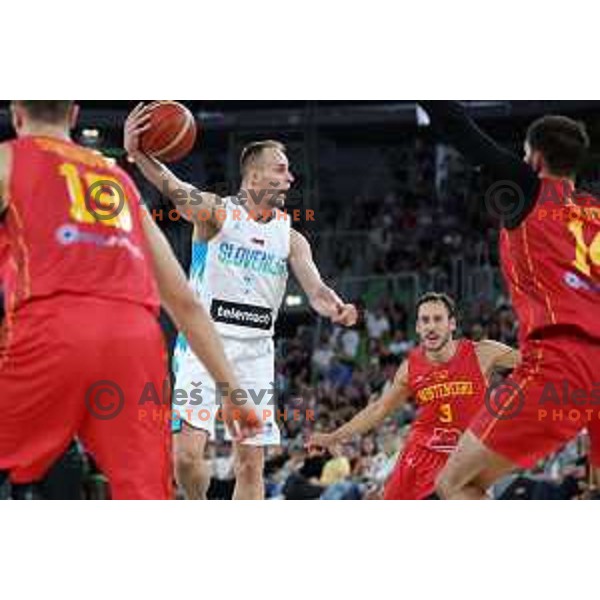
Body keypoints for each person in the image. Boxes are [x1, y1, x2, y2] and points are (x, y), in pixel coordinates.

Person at [0, 101, 256, 500]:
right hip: (134, 340)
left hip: (51, 329)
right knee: (143, 495)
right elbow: (185, 302)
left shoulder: (8, 159)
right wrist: (234, 393)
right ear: (73, 114)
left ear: (16, 113)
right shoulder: (118, 180)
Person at [124, 103, 358, 500]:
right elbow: (171, 186)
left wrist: (332, 304)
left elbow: (316, 289)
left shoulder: (291, 237)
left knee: (250, 463)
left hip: (254, 353)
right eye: (281, 169)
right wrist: (139, 152)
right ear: (253, 174)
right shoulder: (217, 213)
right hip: (202, 347)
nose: (290, 177)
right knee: (185, 458)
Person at [418, 101, 600, 499]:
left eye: (522, 154)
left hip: (562, 363)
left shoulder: (529, 188)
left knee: (455, 483)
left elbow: (457, 126)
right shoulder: (595, 213)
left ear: (534, 158)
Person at [308, 292, 520, 500]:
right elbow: (377, 410)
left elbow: (538, 362)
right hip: (420, 458)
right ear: (418, 327)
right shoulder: (410, 368)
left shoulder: (483, 353)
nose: (431, 326)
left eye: (438, 319)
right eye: (425, 320)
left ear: (452, 324)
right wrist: (333, 437)